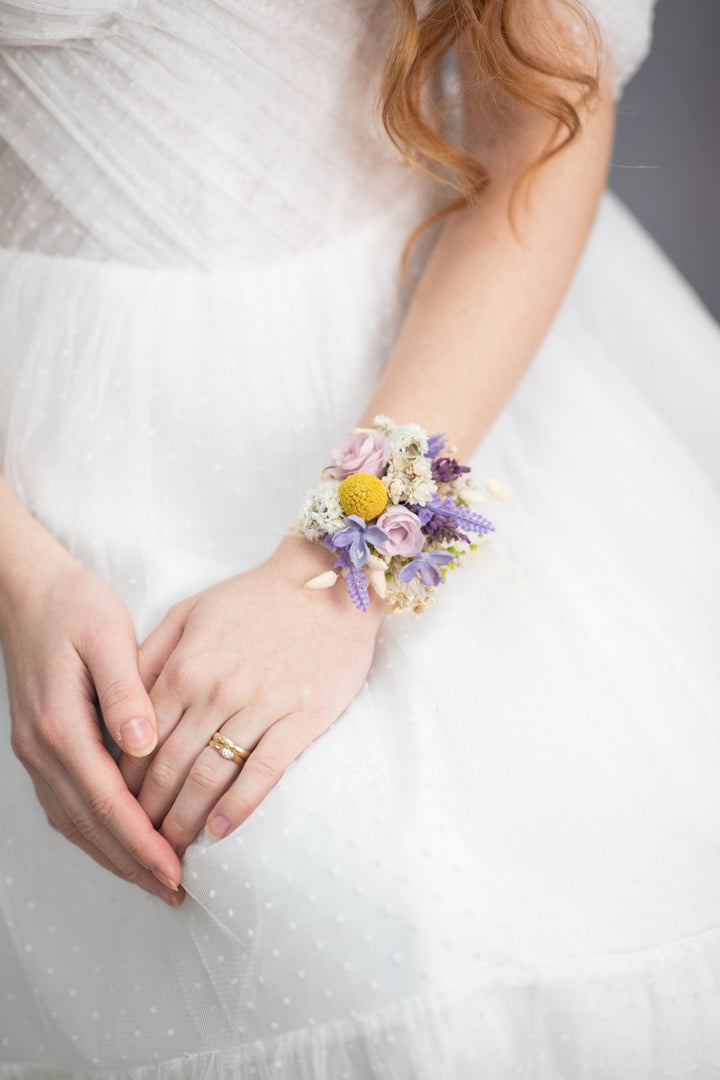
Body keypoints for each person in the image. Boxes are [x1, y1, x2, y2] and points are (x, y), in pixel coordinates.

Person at [1, 0, 719, 1076]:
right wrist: (23, 579)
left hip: (433, 364)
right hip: (49, 447)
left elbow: (541, 120)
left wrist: (336, 566)